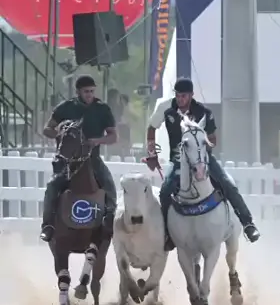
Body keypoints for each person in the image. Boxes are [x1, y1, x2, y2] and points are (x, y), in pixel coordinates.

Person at [146, 77, 260, 251]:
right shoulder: (166, 108)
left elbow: (213, 138)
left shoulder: (204, 112)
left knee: (227, 183)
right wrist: (152, 153)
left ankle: (248, 223)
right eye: (178, 95)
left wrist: (203, 144)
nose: (180, 99)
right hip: (178, 160)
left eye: (184, 96)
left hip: (203, 158)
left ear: (191, 95)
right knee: (165, 190)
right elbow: (151, 127)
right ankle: (167, 234)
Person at [40, 74, 118, 242]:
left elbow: (113, 137)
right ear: (78, 92)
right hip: (68, 160)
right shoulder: (66, 108)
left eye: (91, 91)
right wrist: (61, 134)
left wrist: (97, 141)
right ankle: (48, 225)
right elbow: (47, 128)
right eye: (86, 91)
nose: (89, 94)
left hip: (92, 158)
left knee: (109, 185)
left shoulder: (102, 109)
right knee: (52, 187)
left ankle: (109, 221)